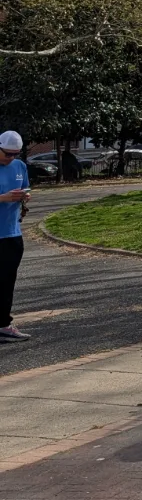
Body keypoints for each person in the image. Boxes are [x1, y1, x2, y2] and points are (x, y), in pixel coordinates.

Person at [0, 131, 31, 344]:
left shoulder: (20, 167)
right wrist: (3, 198)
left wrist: (25, 195)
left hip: (12, 234)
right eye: (7, 154)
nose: (10, 158)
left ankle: (3, 325)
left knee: (6, 282)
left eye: (15, 154)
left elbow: (25, 188)